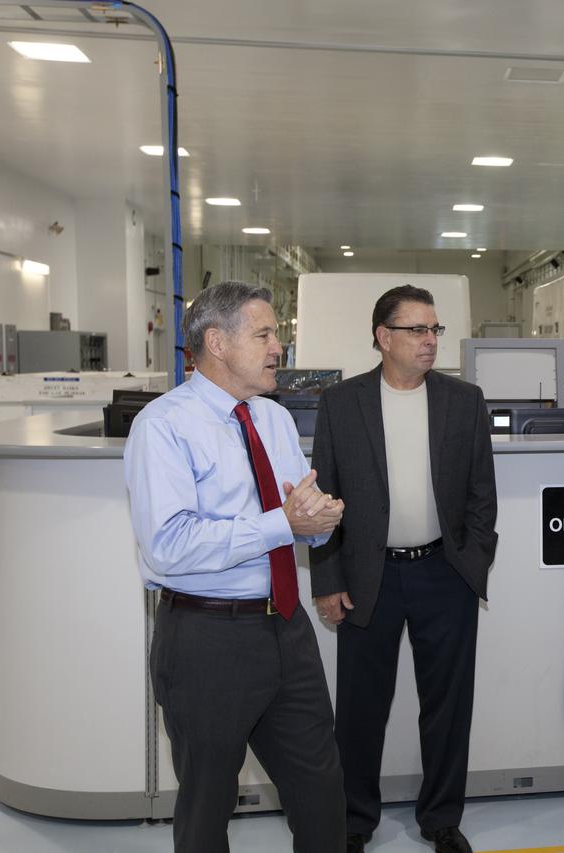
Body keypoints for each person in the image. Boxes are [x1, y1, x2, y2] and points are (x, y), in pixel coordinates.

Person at [125, 280, 346, 853]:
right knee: (206, 806)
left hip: (287, 629)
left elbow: (296, 509)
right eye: (266, 334)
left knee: (322, 793)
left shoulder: (271, 420)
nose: (280, 348)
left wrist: (322, 519)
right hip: (206, 639)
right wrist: (284, 524)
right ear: (217, 343)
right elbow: (168, 546)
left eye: (278, 335)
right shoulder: (162, 426)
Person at [310, 285, 498, 853]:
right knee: (361, 710)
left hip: (445, 574)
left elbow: (481, 495)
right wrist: (327, 579)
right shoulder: (341, 404)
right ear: (382, 337)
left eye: (435, 330)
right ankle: (353, 821)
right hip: (370, 578)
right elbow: (325, 499)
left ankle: (441, 820)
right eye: (417, 330)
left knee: (447, 706)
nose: (429, 341)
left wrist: (474, 561)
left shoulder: (463, 401)